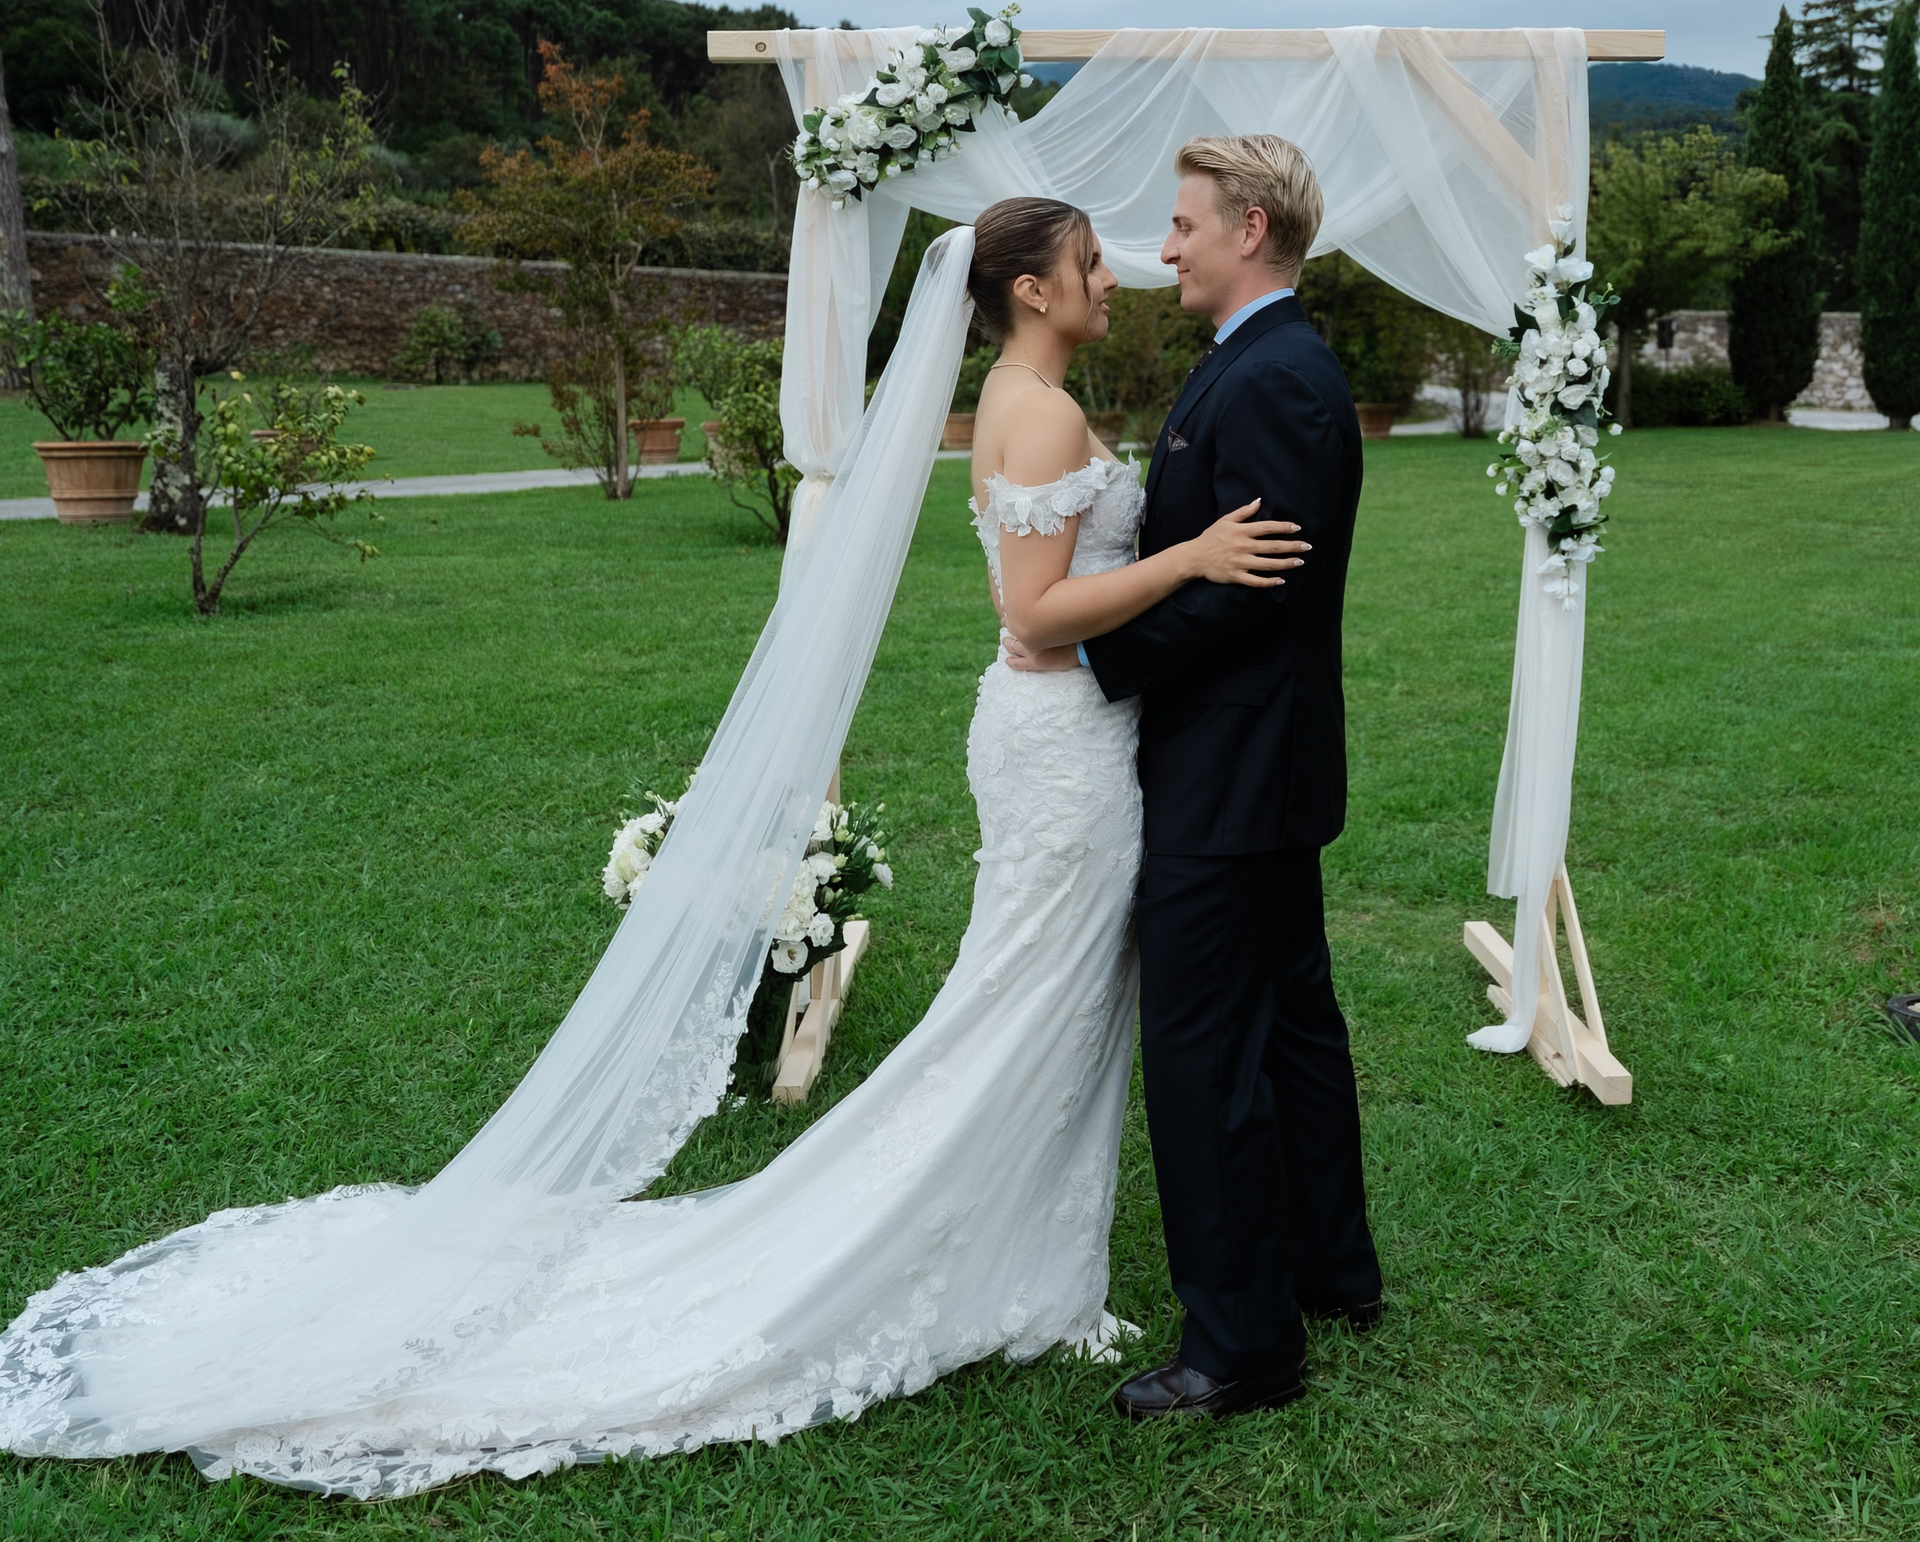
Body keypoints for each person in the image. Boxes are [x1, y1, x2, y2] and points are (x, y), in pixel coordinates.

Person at [0, 196, 1309, 1498]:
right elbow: (1033, 618)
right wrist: (1194, 552)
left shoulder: (1034, 400)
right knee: (1027, 998)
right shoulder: (1039, 410)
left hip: (1070, 742)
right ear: (1030, 289)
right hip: (1059, 739)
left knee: (1050, 1000)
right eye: (1089, 262)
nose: (1111, 278)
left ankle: (1029, 1258)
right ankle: (963, 1248)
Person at [1008, 134, 1383, 1420]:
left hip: (1231, 770)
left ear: (1253, 229)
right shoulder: (1258, 363)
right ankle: (1332, 1269)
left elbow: (1250, 595)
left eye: (1180, 224)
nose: (1160, 247)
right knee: (1289, 1024)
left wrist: (1085, 647)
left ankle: (1240, 1346)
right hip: (1257, 765)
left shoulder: (1275, 377)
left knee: (1206, 1047)